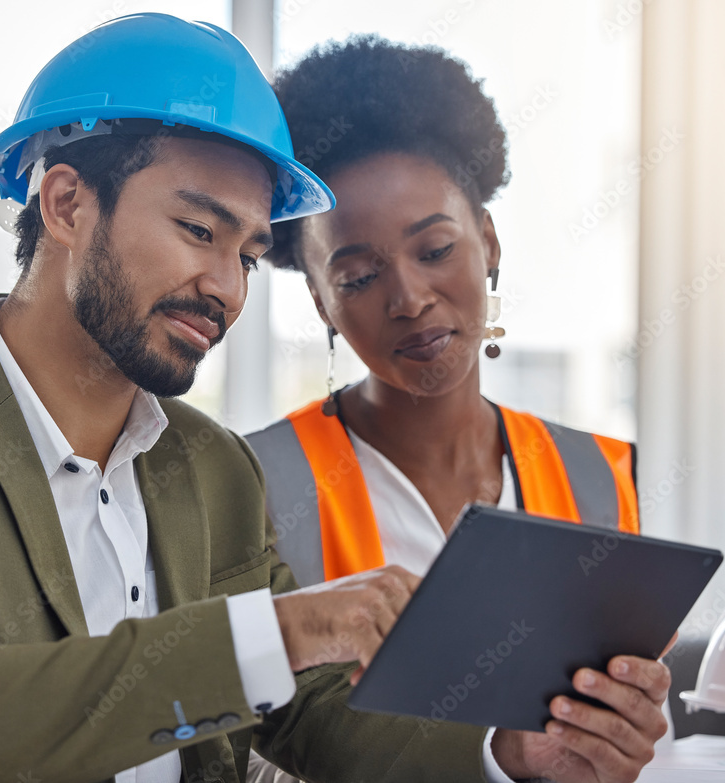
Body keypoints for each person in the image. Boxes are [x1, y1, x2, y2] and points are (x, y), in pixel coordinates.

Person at [0, 14, 545, 783]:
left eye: (249, 253)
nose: (227, 287)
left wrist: (506, 754)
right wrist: (282, 628)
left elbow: (301, 711)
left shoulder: (210, 465)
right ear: (66, 204)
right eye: (199, 230)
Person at [245, 36, 667, 783]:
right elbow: (241, 744)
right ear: (320, 300)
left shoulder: (602, 476)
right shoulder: (251, 481)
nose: (407, 298)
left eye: (434, 249)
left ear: (489, 241)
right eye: (360, 274)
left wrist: (618, 731)